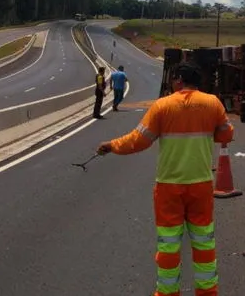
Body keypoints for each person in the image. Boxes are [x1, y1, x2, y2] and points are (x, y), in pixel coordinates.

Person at [96, 62, 234, 296]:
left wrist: (111, 146)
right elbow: (226, 134)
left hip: (169, 186)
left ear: (178, 80)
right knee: (204, 243)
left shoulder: (162, 106)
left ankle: (168, 292)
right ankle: (208, 291)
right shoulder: (213, 103)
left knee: (169, 246)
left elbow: (138, 141)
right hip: (200, 184)